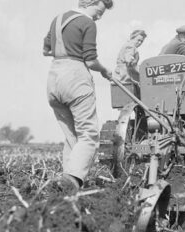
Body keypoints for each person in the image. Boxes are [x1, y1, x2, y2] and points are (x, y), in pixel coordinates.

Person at [42, 0, 113, 192]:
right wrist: (105, 70)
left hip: (53, 79)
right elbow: (90, 60)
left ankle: (66, 182)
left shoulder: (57, 19)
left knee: (72, 135)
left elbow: (46, 50)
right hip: (75, 78)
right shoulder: (87, 22)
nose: (99, 16)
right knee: (88, 134)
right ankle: (72, 179)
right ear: (91, 2)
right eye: (99, 11)